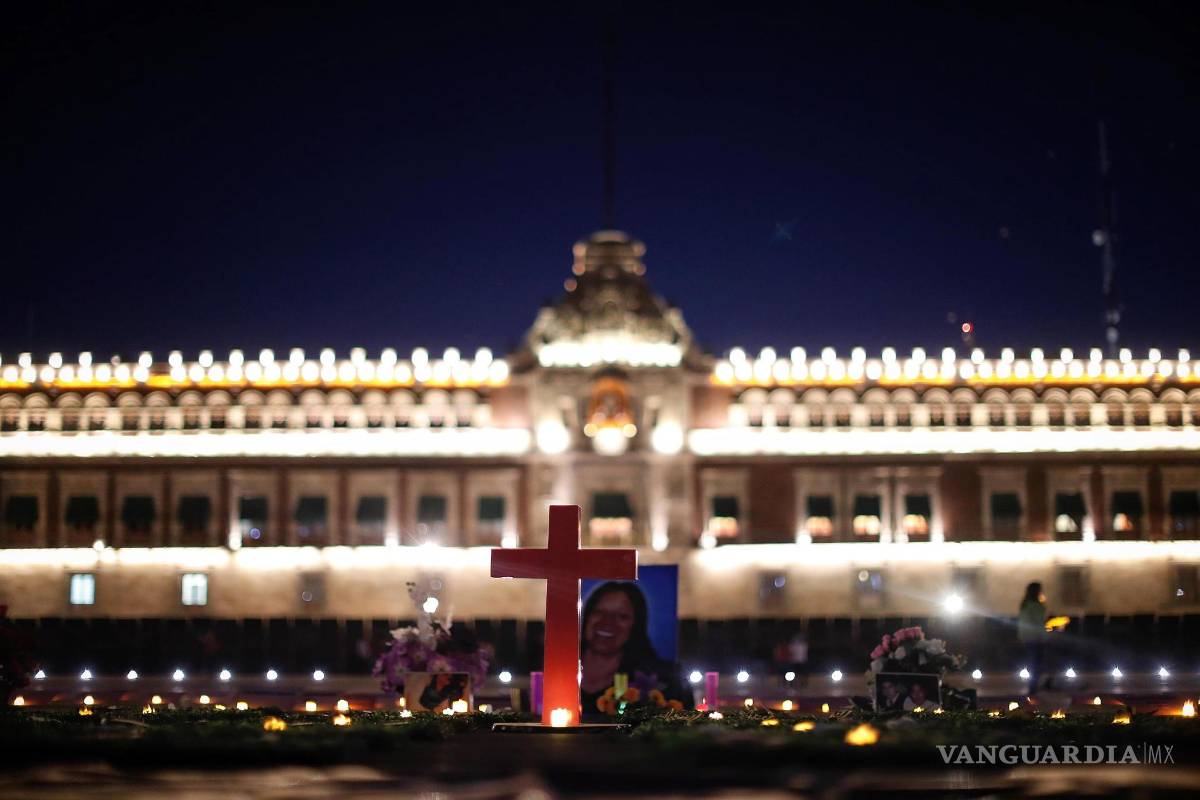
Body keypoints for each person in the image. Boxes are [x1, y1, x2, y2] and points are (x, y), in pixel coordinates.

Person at [579, 581, 688, 715]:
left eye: (622, 616)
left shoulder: (663, 678)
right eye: (599, 612)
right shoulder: (556, 668)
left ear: (636, 625)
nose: (607, 622)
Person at [1017, 581, 1051, 694]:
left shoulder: (1025, 605)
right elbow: (1039, 623)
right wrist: (1045, 637)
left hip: (1027, 637)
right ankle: (1033, 687)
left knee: (1033, 662)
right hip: (1036, 638)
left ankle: (1033, 686)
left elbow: (1023, 623)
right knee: (1037, 663)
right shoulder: (1036, 606)